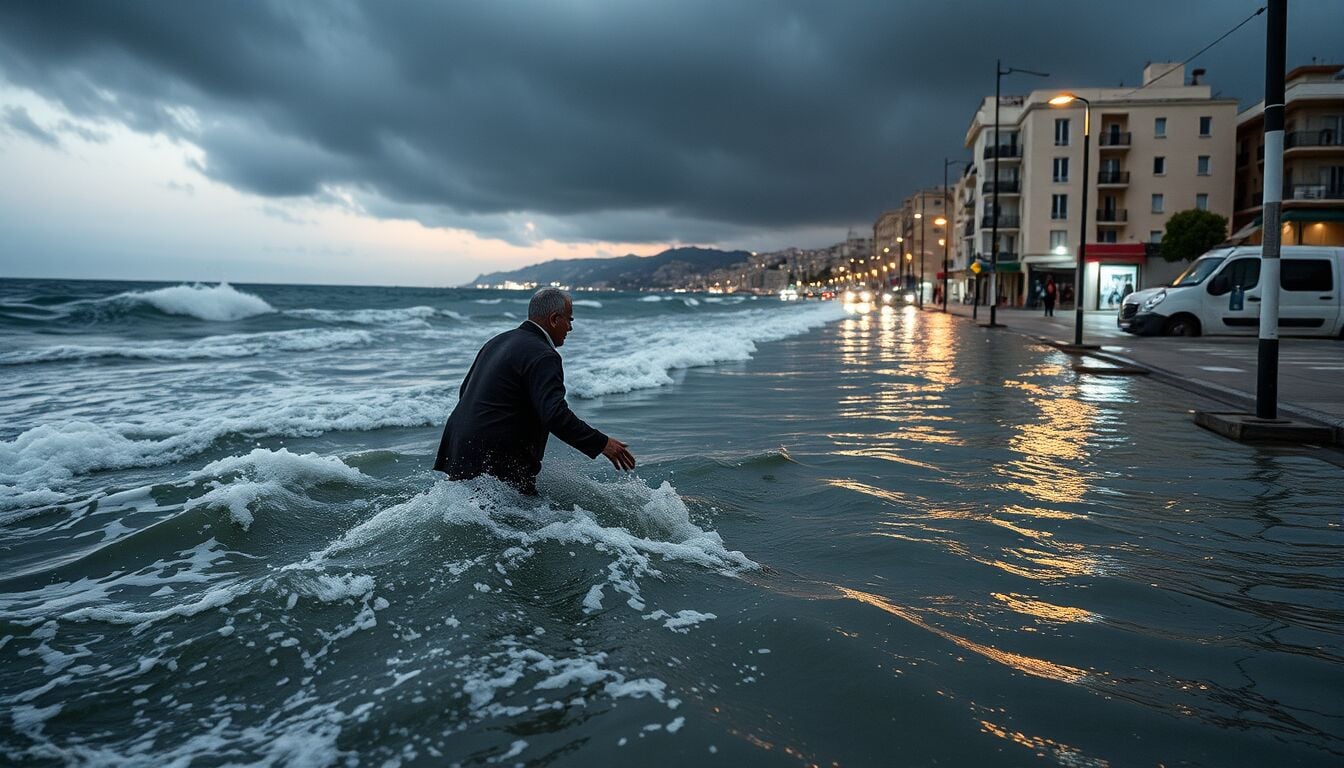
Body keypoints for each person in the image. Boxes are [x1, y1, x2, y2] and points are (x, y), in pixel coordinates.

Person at [433, 288, 635, 495]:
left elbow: (465, 391)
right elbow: (555, 415)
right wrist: (602, 444)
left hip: (459, 450)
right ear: (555, 319)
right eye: (569, 320)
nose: (570, 328)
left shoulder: (496, 342)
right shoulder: (544, 355)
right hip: (494, 459)